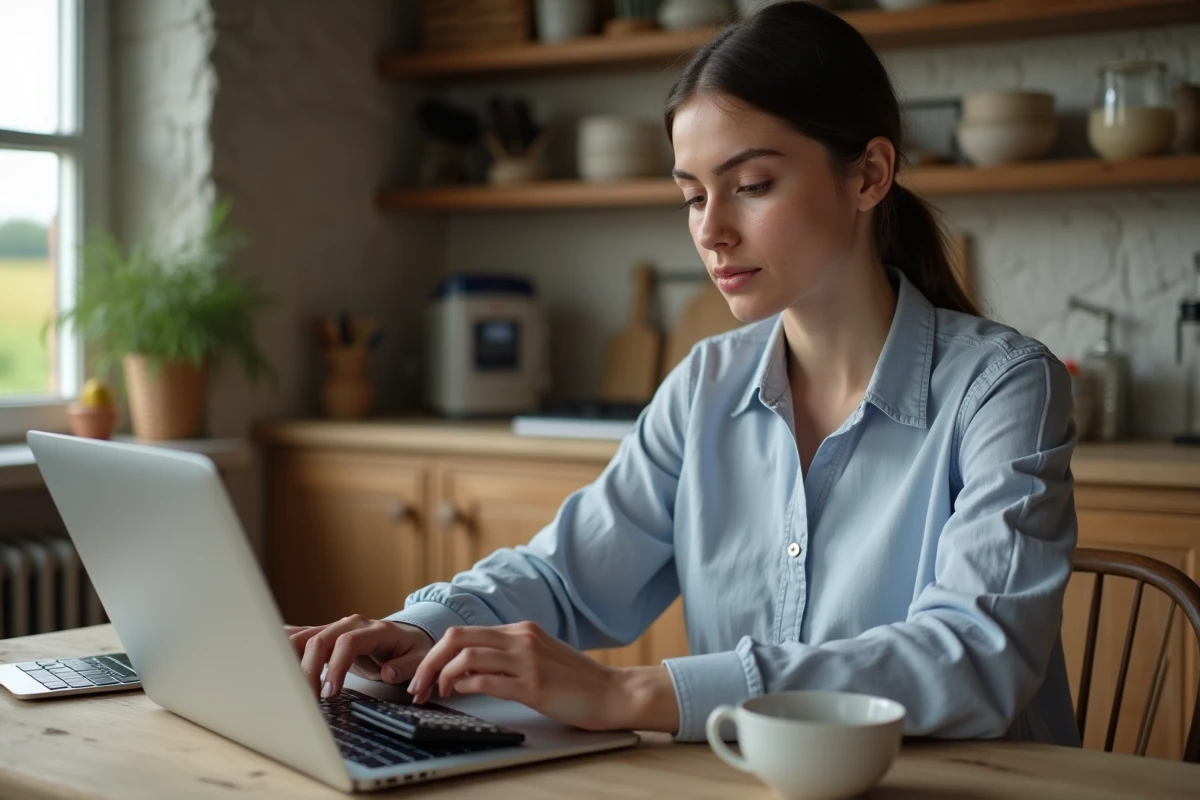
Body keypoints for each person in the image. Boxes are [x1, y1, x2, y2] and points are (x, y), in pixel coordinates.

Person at [288, 1, 1080, 746]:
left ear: (870, 175)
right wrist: (422, 625)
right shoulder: (706, 384)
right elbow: (568, 574)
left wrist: (630, 695)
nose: (712, 230)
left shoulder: (1004, 388)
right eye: (693, 195)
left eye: (752, 186)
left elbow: (976, 657)